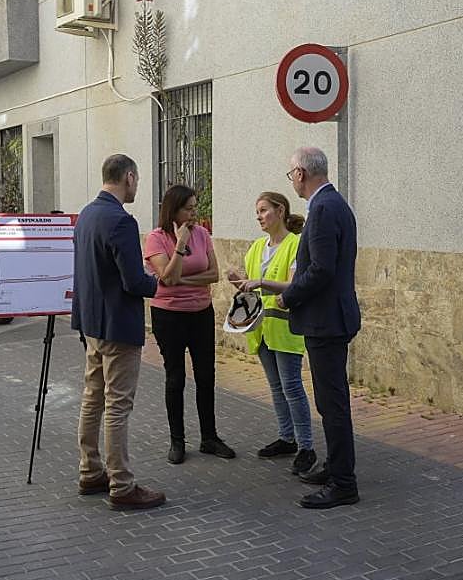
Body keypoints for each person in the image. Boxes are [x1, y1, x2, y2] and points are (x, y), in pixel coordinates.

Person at [71, 154, 165, 510]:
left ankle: (90, 471)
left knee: (93, 397)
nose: (137, 185)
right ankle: (122, 485)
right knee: (117, 405)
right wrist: (157, 282)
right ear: (129, 177)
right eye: (137, 179)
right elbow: (133, 281)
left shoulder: (86, 215)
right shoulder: (122, 221)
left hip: (92, 324)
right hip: (118, 326)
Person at [277, 147, 362, 509]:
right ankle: (336, 466)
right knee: (331, 402)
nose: (291, 181)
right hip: (330, 318)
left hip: (327, 321)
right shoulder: (332, 204)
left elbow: (322, 269)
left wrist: (289, 296)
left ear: (300, 174)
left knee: (332, 403)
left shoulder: (325, 208)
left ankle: (343, 483)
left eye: (291, 174)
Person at [144, 185, 235, 464]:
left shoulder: (203, 234)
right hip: (169, 316)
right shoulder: (156, 239)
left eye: (195, 207)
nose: (194, 213)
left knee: (206, 375)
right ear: (173, 210)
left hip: (201, 312)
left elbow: (213, 274)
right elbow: (167, 277)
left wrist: (180, 280)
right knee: (175, 378)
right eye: (188, 209)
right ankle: (177, 441)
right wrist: (180, 245)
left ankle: (209, 437)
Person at [227, 191, 316, 476]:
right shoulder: (256, 247)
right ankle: (287, 438)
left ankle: (307, 447)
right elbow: (251, 288)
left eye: (264, 210)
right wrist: (238, 282)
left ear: (280, 211)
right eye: (257, 212)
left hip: (285, 328)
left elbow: (294, 285)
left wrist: (260, 282)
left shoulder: (295, 244)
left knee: (292, 387)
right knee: (276, 387)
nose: (259, 217)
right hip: (260, 328)